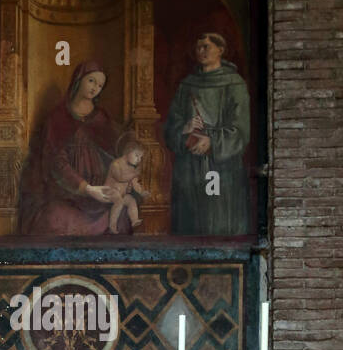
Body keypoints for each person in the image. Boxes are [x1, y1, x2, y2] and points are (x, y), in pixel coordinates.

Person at [19, 61, 129, 237]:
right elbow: (55, 162)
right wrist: (87, 188)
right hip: (67, 194)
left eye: (100, 85)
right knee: (54, 221)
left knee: (121, 217)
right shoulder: (58, 117)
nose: (95, 88)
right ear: (79, 79)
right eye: (91, 81)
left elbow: (115, 155)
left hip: (102, 193)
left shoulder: (102, 118)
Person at [164, 31, 251, 236]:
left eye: (206, 47)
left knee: (219, 223)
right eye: (198, 47)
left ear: (220, 50)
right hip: (189, 167)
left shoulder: (234, 84)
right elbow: (171, 127)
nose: (201, 51)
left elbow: (241, 130)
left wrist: (212, 141)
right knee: (190, 223)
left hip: (221, 166)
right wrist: (184, 131)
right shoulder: (187, 85)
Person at [104, 132, 145, 232]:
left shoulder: (131, 169)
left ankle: (134, 220)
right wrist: (135, 174)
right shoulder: (116, 164)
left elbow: (135, 183)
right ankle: (112, 226)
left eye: (140, 158)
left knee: (131, 200)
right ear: (128, 152)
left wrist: (142, 192)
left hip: (122, 194)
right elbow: (120, 177)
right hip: (110, 191)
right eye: (137, 156)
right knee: (119, 201)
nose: (139, 160)